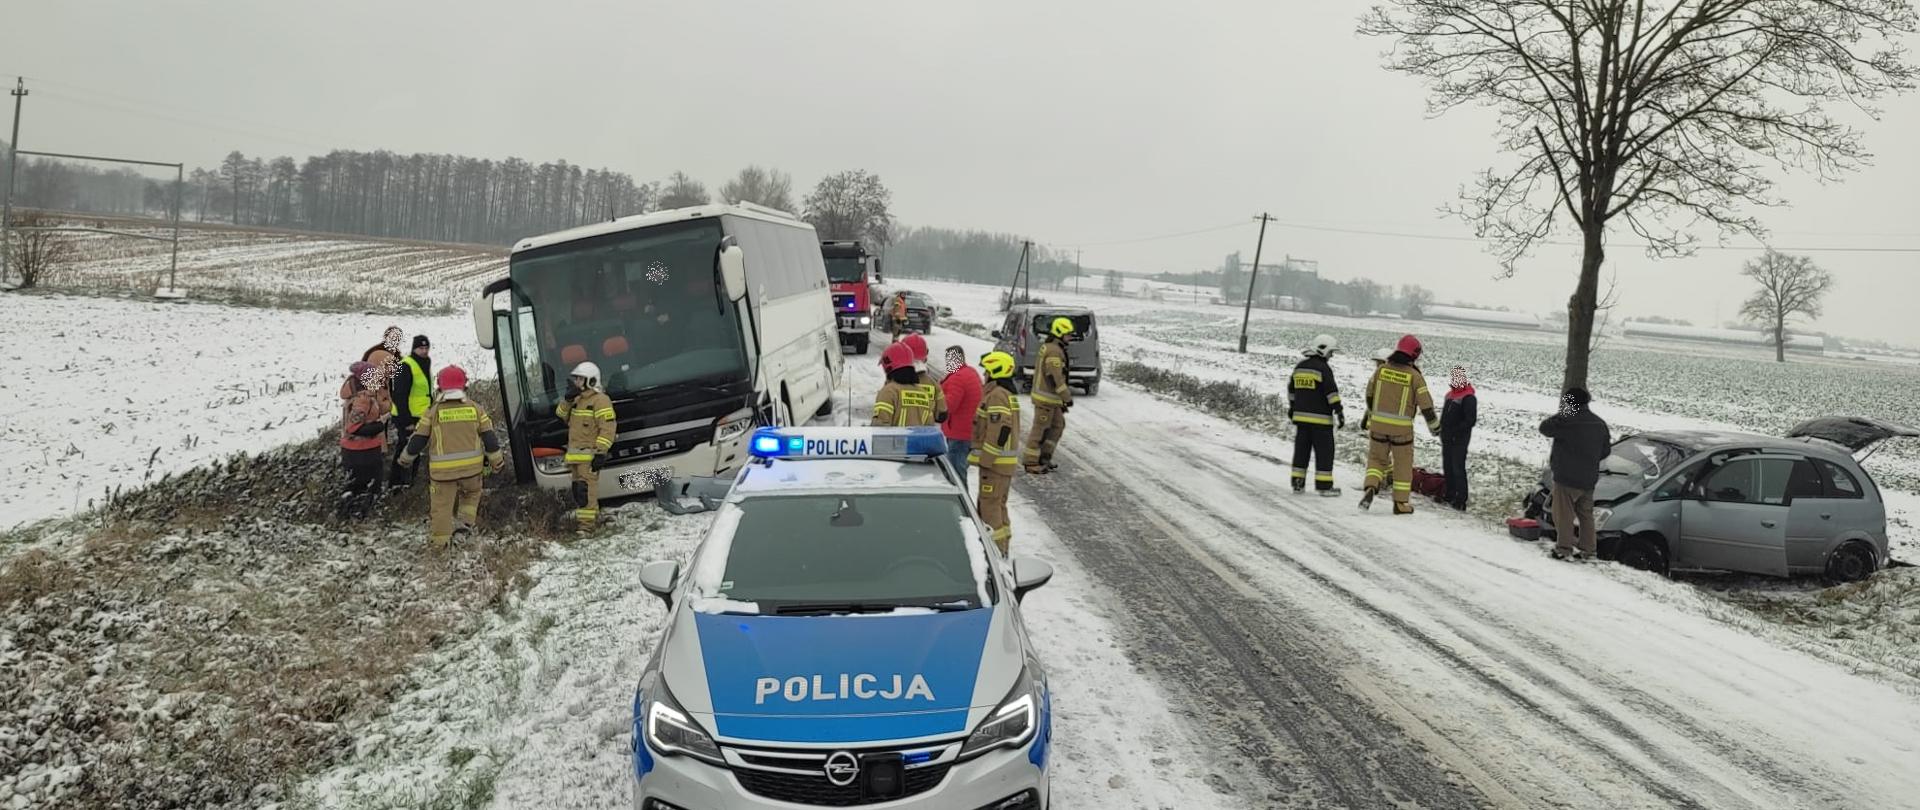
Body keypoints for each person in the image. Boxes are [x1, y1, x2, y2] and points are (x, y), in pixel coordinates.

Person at [398, 366, 505, 549]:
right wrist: (497, 462)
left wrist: (405, 459)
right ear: (465, 386)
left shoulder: (432, 412)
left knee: (441, 509)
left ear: (439, 387)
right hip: (472, 472)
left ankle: (441, 547)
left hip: (442, 475)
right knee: (471, 496)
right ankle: (464, 528)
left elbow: (418, 441)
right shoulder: (476, 409)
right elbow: (490, 439)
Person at [1359, 335, 1440, 514]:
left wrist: (1373, 413)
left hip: (1378, 426)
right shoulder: (1415, 376)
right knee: (1403, 464)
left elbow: (1369, 394)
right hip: (1401, 430)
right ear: (1414, 354)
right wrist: (1435, 427)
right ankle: (1400, 503)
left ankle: (1371, 486)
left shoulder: (1381, 370)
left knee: (1376, 459)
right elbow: (1426, 406)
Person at [1540, 387, 1611, 561]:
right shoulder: (1599, 423)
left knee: (1564, 514)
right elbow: (1605, 451)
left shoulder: (1566, 421)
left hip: (1567, 477)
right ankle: (1588, 550)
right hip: (1588, 478)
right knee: (1586, 515)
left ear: (1569, 402)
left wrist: (1563, 413)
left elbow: (1545, 428)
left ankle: (1564, 549)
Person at [972, 351, 1023, 553]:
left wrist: (986, 459)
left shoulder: (996, 396)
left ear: (995, 371)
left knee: (989, 508)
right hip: (1003, 465)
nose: (984, 375)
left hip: (995, 465)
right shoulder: (1007, 395)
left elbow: (999, 429)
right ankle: (1003, 548)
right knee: (998, 506)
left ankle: (995, 552)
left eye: (987, 371)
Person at [557, 361, 617, 531]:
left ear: (590, 380)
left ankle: (586, 528)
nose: (576, 382)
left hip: (589, 458)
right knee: (579, 493)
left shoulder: (601, 400)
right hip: (575, 457)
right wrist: (567, 399)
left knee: (586, 493)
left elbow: (608, 428)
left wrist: (600, 453)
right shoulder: (576, 400)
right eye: (576, 379)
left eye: (579, 379)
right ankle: (587, 524)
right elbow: (560, 414)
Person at [1288, 334, 1345, 496]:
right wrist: (1339, 411)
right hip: (1321, 421)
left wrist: (1292, 408)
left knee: (1301, 452)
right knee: (1324, 453)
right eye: (1331, 352)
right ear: (1323, 349)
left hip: (1301, 420)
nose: (1331, 356)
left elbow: (1292, 391)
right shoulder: (1323, 369)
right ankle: (1324, 486)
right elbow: (1331, 393)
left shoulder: (1300, 367)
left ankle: (1298, 484)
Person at [1021, 317, 1075, 474]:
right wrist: (1066, 397)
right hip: (1046, 399)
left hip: (1052, 399)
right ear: (1059, 333)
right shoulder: (1054, 350)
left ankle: (1044, 457)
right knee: (1039, 429)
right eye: (1068, 334)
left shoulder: (1054, 347)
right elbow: (1056, 377)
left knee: (1058, 425)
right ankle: (1031, 462)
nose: (1070, 338)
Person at [339, 361, 389, 518]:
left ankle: (345, 517)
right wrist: (378, 426)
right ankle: (360, 518)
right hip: (365, 450)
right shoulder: (363, 399)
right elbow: (353, 427)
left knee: (353, 485)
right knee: (370, 487)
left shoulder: (357, 396)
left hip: (351, 450)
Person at [389, 334, 434, 488]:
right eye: (421, 348)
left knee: (415, 449)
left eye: (426, 348)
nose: (424, 351)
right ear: (414, 348)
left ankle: (410, 483)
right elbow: (399, 395)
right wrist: (406, 421)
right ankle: (397, 485)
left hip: (421, 415)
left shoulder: (425, 363)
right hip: (407, 417)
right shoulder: (405, 365)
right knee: (404, 450)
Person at [872, 343, 944, 426]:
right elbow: (929, 427)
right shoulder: (923, 394)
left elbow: (879, 428)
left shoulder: (888, 392)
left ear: (888, 367)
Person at [938, 346, 982, 477]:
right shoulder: (970, 372)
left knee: (955, 473)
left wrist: (938, 397)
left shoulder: (957, 378)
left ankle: (960, 491)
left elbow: (949, 406)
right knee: (959, 469)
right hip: (969, 430)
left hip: (959, 433)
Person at [1440, 366, 1479, 511]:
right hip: (1447, 437)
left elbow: (1470, 420)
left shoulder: (1469, 397)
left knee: (1458, 468)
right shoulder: (1449, 395)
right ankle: (1449, 494)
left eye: (1458, 377)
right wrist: (1442, 430)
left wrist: (1455, 431)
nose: (1456, 380)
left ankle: (1461, 499)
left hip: (1460, 439)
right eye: (1454, 377)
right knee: (1448, 467)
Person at [898, 334, 951, 427]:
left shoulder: (894, 382)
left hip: (898, 434)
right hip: (924, 434)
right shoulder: (933, 385)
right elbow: (941, 415)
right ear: (925, 356)